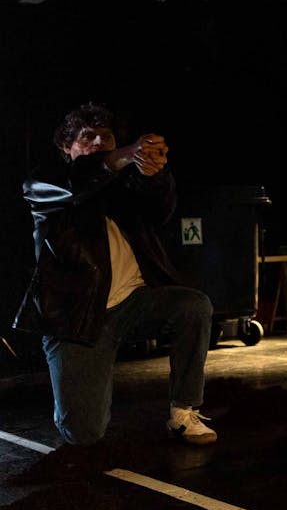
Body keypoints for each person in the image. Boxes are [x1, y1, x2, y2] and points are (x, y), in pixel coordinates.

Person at [13, 103, 217, 446]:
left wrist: (154, 172)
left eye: (105, 137)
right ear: (66, 146)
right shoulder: (43, 182)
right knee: (83, 434)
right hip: (77, 319)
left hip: (134, 303)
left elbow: (161, 210)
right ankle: (72, 395)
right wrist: (125, 153)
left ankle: (183, 412)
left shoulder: (123, 187)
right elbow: (78, 180)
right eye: (86, 137)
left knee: (193, 306)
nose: (97, 142)